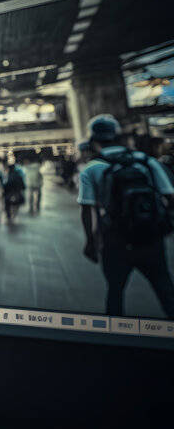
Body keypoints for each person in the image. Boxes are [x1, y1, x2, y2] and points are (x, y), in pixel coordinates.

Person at [78, 115, 174, 317]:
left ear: (94, 141)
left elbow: (88, 209)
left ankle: (116, 338)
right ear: (119, 137)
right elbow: (170, 196)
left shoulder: (92, 169)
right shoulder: (146, 161)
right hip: (150, 237)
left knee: (115, 293)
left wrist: (90, 242)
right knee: (165, 290)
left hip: (116, 240)